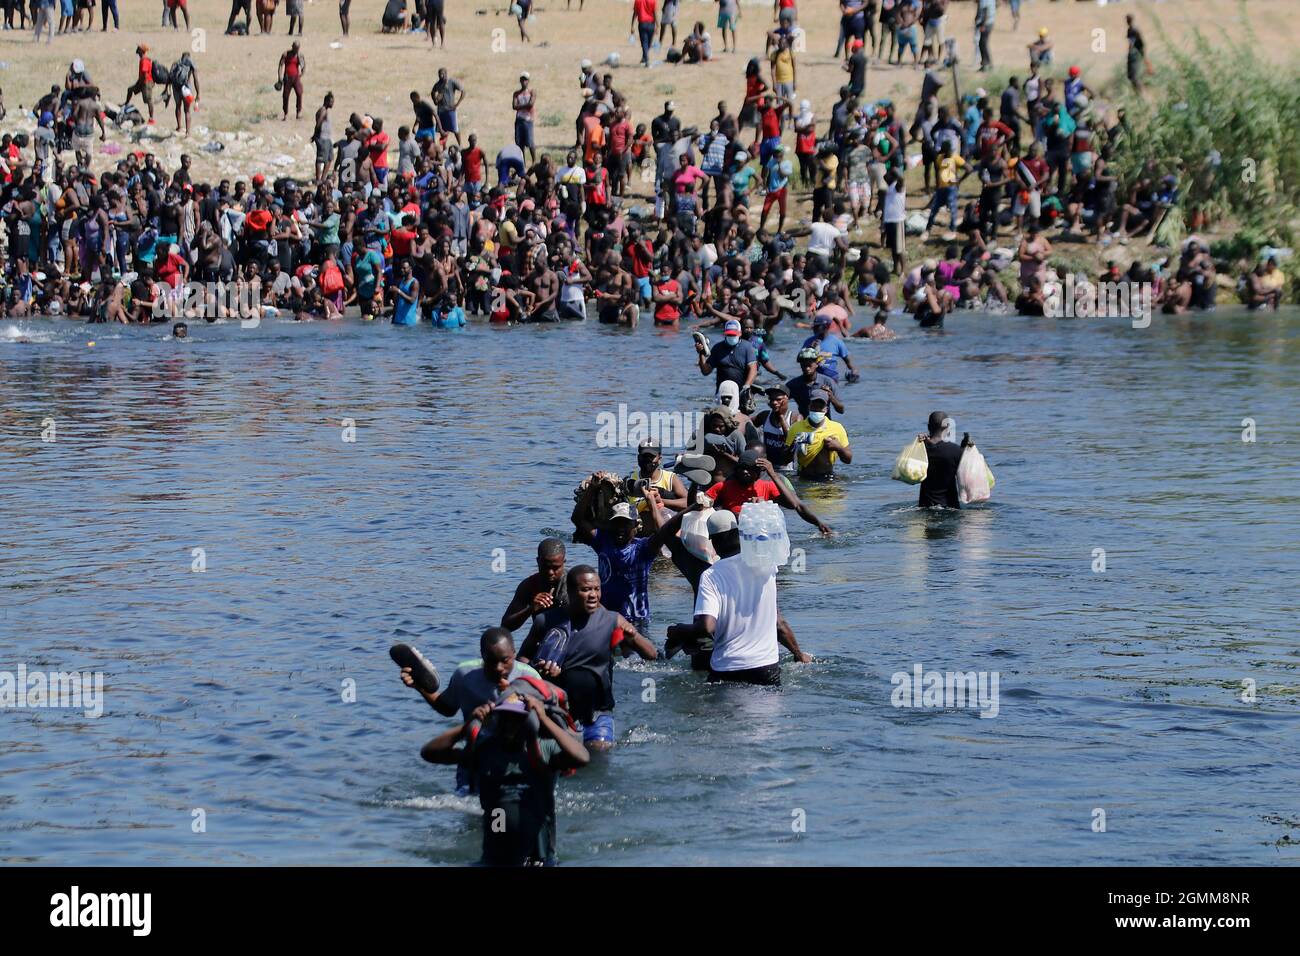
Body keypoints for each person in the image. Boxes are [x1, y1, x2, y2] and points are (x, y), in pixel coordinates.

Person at [419, 687, 588, 866]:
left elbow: (581, 757)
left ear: (529, 721)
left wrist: (544, 719)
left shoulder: (542, 749)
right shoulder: (485, 750)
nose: (510, 725)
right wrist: (468, 725)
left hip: (538, 857)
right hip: (494, 854)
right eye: (505, 718)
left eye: (517, 719)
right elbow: (430, 753)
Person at [518, 565, 658, 749]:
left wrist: (634, 637)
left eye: (596, 589)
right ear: (570, 591)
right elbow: (522, 660)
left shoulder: (612, 620)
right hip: (556, 709)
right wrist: (538, 669)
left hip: (597, 711)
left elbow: (651, 655)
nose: (593, 595)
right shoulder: (546, 620)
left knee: (597, 756)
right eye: (585, 589)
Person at [666, 508, 810, 683]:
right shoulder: (767, 568)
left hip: (728, 670)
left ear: (713, 542)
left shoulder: (711, 576)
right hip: (767, 669)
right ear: (740, 535)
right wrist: (798, 654)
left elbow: (706, 627)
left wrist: (678, 630)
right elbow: (778, 623)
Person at [707, 449, 832, 534]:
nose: (745, 472)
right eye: (742, 468)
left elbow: (795, 505)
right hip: (733, 535)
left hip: (760, 536)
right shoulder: (723, 487)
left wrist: (818, 523)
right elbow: (700, 506)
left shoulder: (767, 486)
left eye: (750, 469)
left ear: (758, 471)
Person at [502, 538, 569, 632]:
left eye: (555, 568)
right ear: (538, 561)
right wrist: (530, 609)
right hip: (542, 639)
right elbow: (506, 626)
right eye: (545, 567)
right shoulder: (529, 586)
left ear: (563, 563)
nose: (550, 572)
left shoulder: (574, 583)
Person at [785, 390, 851, 479]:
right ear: (809, 406)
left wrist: (838, 448)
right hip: (804, 477)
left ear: (826, 409)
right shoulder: (796, 428)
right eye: (814, 406)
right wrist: (793, 446)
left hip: (827, 478)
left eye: (820, 407)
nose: (817, 410)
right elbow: (785, 459)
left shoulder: (837, 428)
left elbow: (848, 460)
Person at [696, 318, 758, 394]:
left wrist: (747, 386)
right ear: (724, 334)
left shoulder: (747, 347)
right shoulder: (718, 348)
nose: (731, 337)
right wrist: (701, 353)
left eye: (733, 334)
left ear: (740, 333)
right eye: (729, 334)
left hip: (742, 391)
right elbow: (705, 371)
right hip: (722, 392)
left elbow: (753, 369)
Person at [917, 410, 962, 508]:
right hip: (950, 508)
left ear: (929, 427)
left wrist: (920, 442)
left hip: (925, 507)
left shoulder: (920, 449)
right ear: (948, 427)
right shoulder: (956, 450)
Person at [512, 73, 537, 165]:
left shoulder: (531, 92)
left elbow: (531, 104)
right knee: (519, 143)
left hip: (528, 119)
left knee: (530, 142)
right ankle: (522, 161)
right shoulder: (517, 93)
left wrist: (520, 106)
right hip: (519, 120)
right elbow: (514, 106)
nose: (524, 82)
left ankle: (534, 160)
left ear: (528, 81)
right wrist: (525, 106)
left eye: (525, 80)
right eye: (522, 80)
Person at [278, 41, 305, 122]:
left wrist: (301, 74)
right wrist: (279, 77)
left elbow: (303, 65)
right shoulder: (286, 54)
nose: (296, 50)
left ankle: (298, 112)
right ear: (292, 46)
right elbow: (280, 65)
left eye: (298, 48)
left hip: (296, 77)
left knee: (299, 93)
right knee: (285, 96)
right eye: (295, 48)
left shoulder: (300, 55)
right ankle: (285, 113)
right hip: (287, 77)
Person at [632, 0, 657, 68]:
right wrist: (657, 25)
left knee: (644, 43)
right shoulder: (653, 1)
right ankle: (645, 59)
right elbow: (654, 12)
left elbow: (635, 13)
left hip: (642, 24)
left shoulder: (638, 1)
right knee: (648, 43)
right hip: (651, 24)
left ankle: (645, 59)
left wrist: (632, 25)